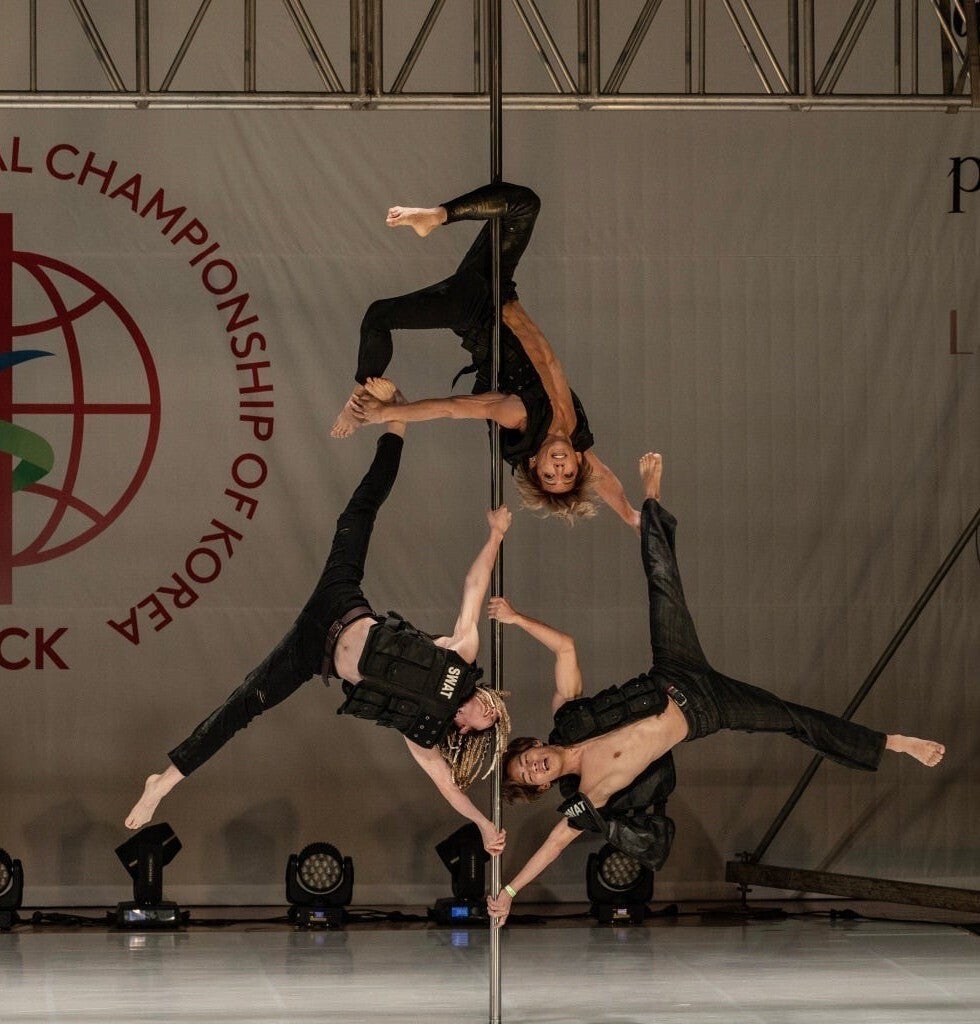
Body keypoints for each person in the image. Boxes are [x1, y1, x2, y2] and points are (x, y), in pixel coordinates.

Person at [485, 452, 946, 925]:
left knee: (664, 583)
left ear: (533, 744)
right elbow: (554, 844)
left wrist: (516, 619)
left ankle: (650, 501)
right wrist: (511, 891)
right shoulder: (591, 795)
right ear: (543, 786)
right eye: (531, 777)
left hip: (674, 671)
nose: (534, 767)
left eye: (526, 760)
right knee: (791, 719)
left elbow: (564, 647)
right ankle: (892, 742)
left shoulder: (568, 716)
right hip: (707, 711)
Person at [125, 403, 512, 855]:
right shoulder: (462, 655)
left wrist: (483, 824)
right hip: (341, 602)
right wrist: (495, 535)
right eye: (493, 704)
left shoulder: (422, 729)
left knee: (244, 703)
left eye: (490, 718)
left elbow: (445, 783)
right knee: (357, 516)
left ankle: (164, 781)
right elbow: (474, 587)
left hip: (314, 653)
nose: (489, 706)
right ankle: (396, 424)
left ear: (466, 731)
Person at [331, 181, 639, 527]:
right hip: (500, 292)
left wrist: (384, 412)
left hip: (475, 310)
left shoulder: (520, 419)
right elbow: (604, 477)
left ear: (534, 464)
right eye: (566, 474)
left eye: (549, 476)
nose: (558, 468)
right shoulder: (574, 435)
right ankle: (434, 217)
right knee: (524, 204)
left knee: (378, 317)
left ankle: (359, 396)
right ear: (577, 463)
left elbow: (451, 407)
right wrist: (632, 517)